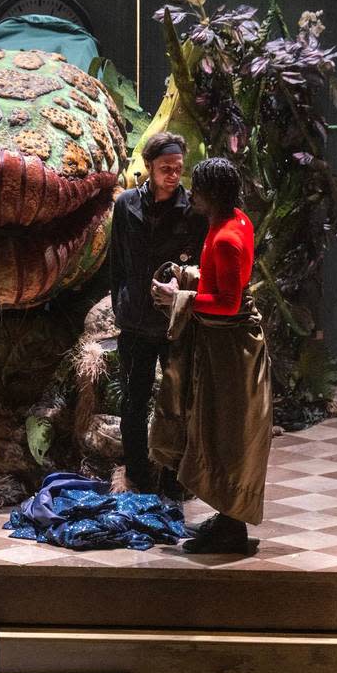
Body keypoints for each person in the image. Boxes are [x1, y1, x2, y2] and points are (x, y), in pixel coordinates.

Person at [149, 157, 272, 554]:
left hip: (231, 351)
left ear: (212, 193)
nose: (191, 194)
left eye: (196, 188)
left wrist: (177, 298)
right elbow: (222, 282)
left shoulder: (227, 238)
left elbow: (228, 302)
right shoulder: (233, 222)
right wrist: (186, 278)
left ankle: (232, 526)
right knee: (219, 429)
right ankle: (226, 515)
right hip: (222, 345)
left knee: (227, 433)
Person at [109, 132, 207, 495]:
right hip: (134, 319)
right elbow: (115, 262)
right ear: (148, 167)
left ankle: (172, 477)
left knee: (177, 401)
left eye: (178, 169)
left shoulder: (192, 211)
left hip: (174, 322)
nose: (172, 175)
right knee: (133, 400)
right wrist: (121, 304)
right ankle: (136, 473)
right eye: (165, 168)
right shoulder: (126, 205)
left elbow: (198, 266)